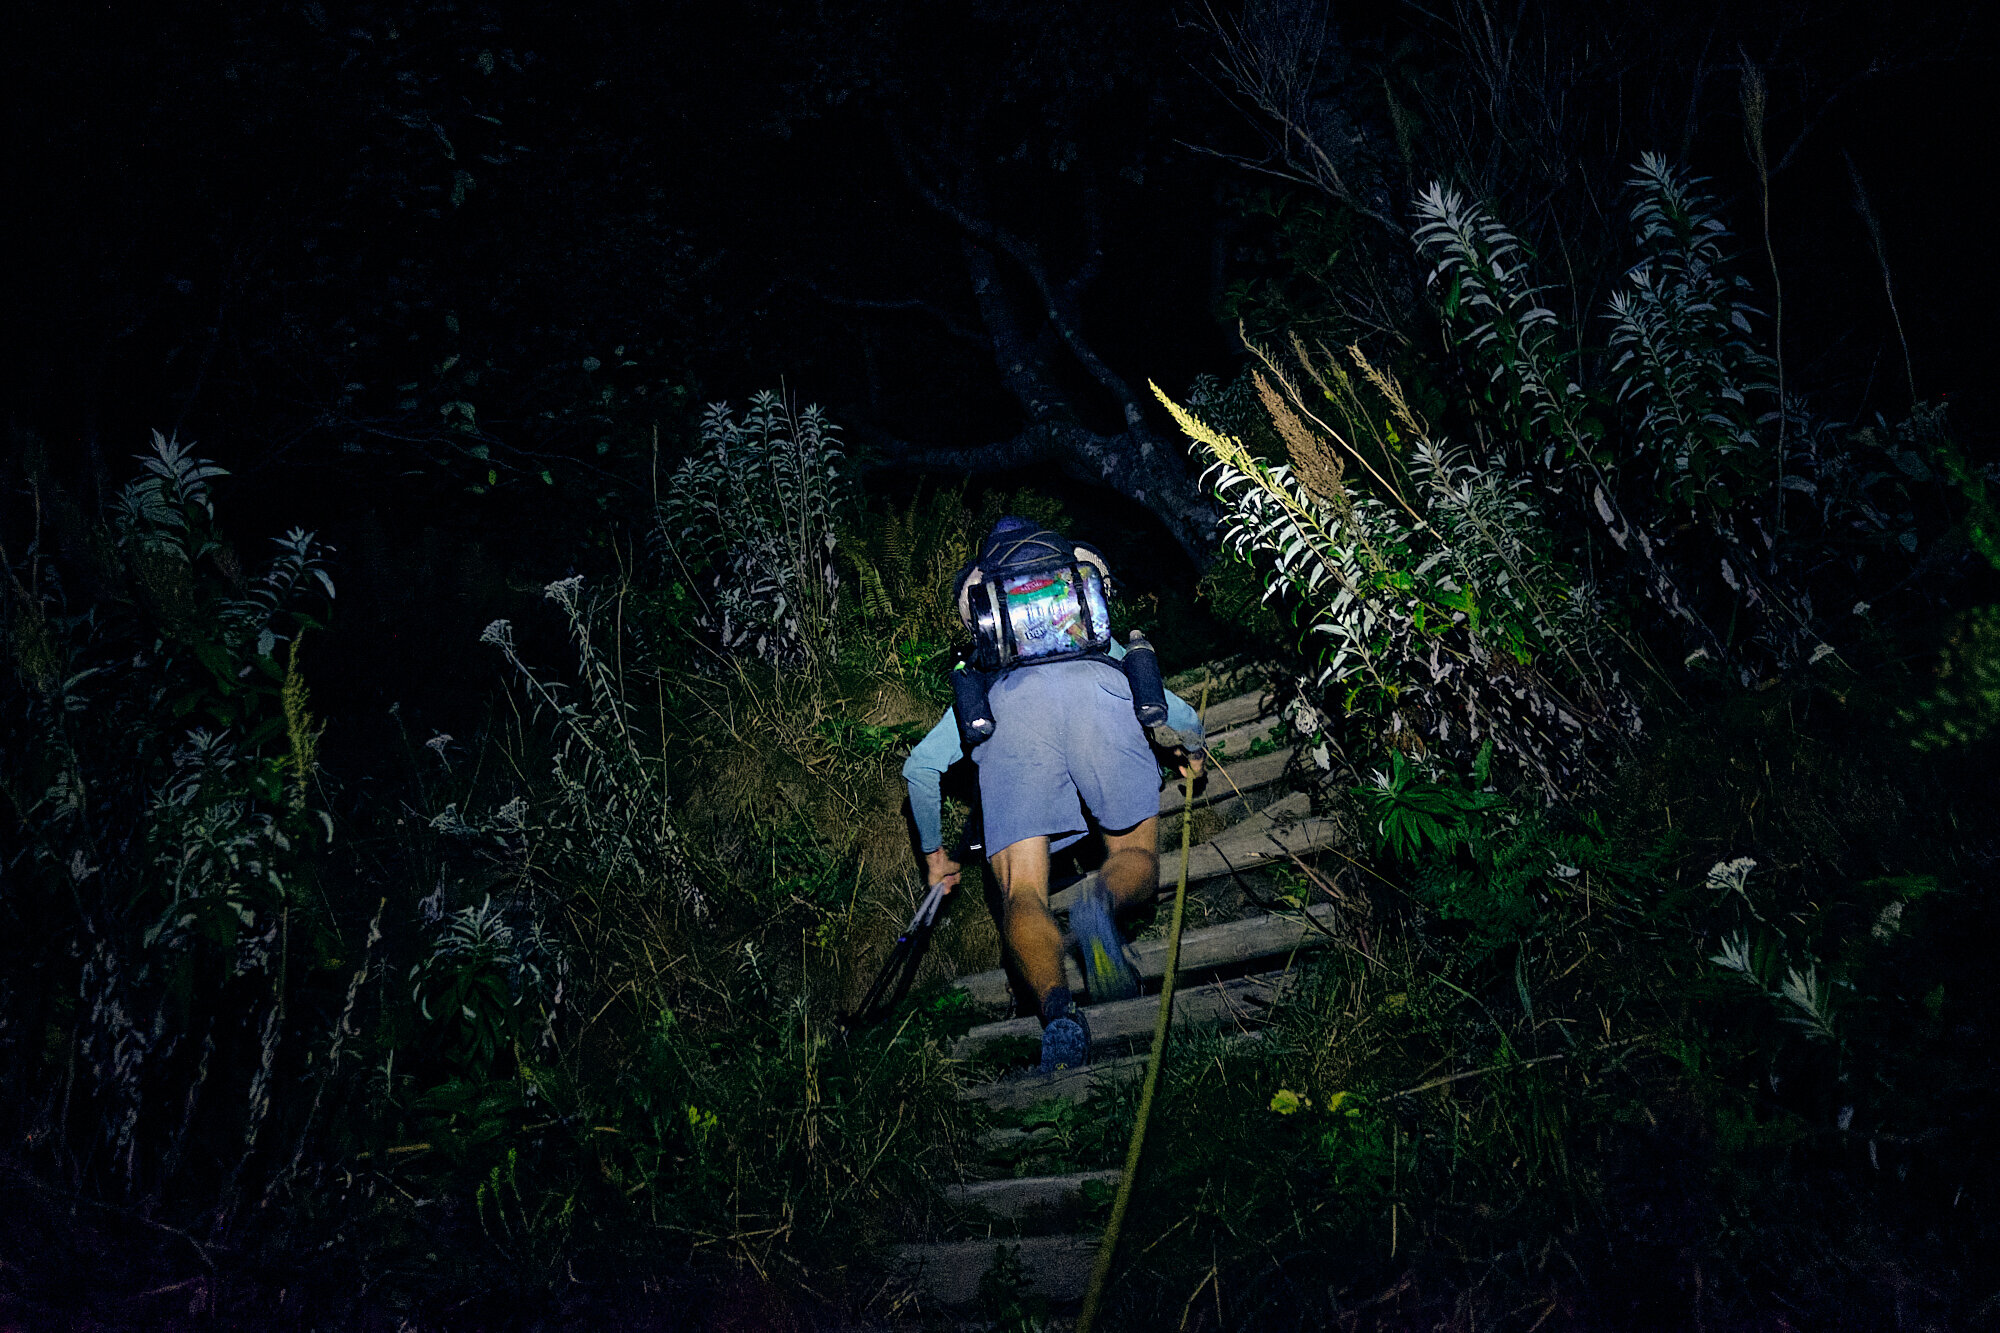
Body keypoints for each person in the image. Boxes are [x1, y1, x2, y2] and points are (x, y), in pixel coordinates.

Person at [902, 518, 1206, 1074]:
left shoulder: (990, 666)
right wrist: (1195, 752)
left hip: (1012, 717)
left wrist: (934, 857)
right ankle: (1099, 906)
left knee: (1023, 896)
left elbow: (920, 767)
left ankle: (1060, 1015)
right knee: (1134, 857)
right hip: (1102, 694)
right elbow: (1181, 716)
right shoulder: (1093, 639)